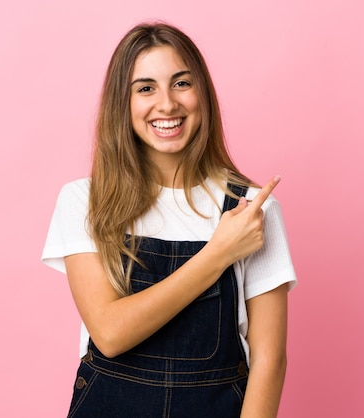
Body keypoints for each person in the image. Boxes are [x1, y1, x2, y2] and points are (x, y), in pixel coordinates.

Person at [42, 22, 297, 418]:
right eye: (145, 88)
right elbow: (109, 334)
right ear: (122, 104)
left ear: (203, 94)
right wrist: (218, 254)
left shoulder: (253, 210)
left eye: (181, 83)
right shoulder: (86, 201)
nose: (166, 104)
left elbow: (269, 362)